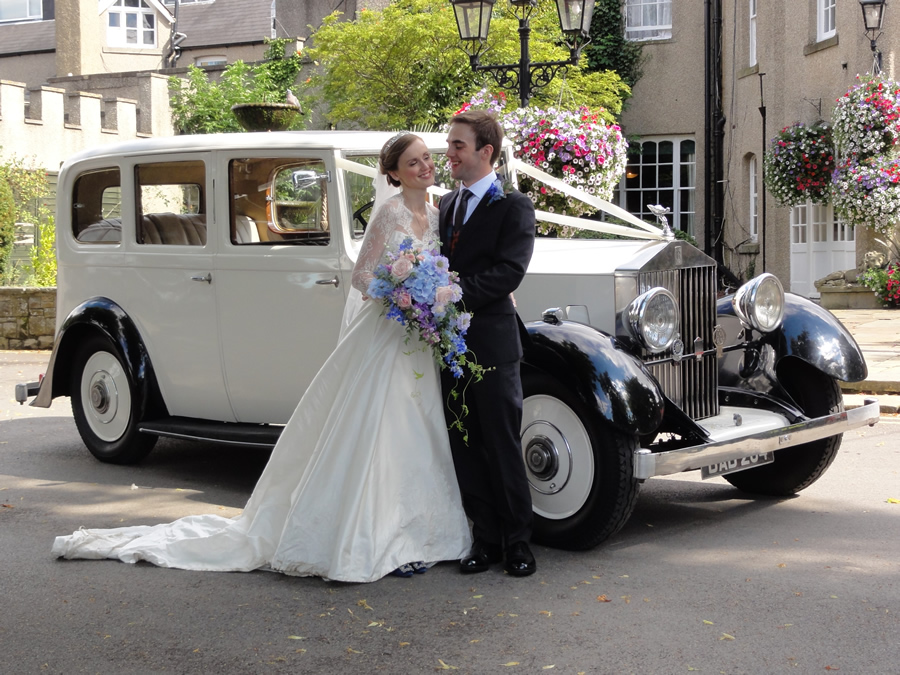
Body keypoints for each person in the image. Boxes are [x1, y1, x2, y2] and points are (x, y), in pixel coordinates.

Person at [51, 133, 472, 583]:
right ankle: (373, 532)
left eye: (427, 158)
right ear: (393, 173)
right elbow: (363, 275)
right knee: (380, 427)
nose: (425, 166)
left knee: (416, 425)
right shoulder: (388, 214)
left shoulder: (435, 212)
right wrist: (405, 297)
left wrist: (432, 301)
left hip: (416, 337)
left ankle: (418, 528)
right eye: (413, 162)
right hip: (390, 327)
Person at [440, 110, 537, 577]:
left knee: (501, 443)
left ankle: (519, 542)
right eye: (449, 144)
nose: (449, 153)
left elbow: (509, 272)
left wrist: (452, 295)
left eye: (458, 145)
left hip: (495, 345)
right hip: (451, 347)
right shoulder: (445, 206)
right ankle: (485, 540)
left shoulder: (513, 205)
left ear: (486, 152)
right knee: (466, 443)